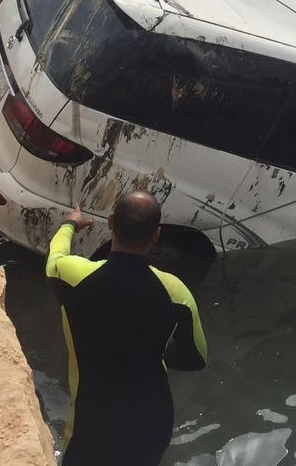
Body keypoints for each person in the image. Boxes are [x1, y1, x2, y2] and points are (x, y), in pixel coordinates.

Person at [46, 193, 208, 466]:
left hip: (93, 420)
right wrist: (160, 354)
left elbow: (56, 255)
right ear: (156, 235)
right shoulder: (176, 292)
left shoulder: (72, 277)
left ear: (110, 223)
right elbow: (196, 359)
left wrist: (70, 224)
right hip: (151, 422)